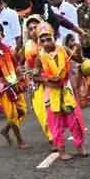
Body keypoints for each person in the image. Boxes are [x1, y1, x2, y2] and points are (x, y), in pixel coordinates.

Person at [35, 21, 88, 160]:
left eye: (49, 39)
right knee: (55, 123)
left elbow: (79, 59)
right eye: (43, 40)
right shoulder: (39, 57)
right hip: (51, 92)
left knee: (74, 120)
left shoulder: (63, 49)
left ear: (54, 37)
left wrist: (78, 49)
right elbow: (35, 76)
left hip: (66, 89)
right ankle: (61, 151)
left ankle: (80, 146)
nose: (46, 43)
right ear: (39, 42)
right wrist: (47, 80)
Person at [0, 19, 30, 150]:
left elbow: (15, 66)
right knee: (12, 114)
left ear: (1, 36)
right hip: (3, 87)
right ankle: (20, 141)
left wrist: (20, 74)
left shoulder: (7, 50)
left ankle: (5, 130)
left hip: (14, 83)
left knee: (22, 111)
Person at [19, 14, 52, 146]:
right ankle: (52, 138)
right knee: (41, 111)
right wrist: (22, 70)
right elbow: (21, 61)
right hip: (35, 82)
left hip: (51, 80)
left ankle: (57, 134)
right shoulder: (27, 45)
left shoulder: (49, 42)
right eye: (30, 28)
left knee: (54, 110)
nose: (33, 31)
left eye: (36, 27)